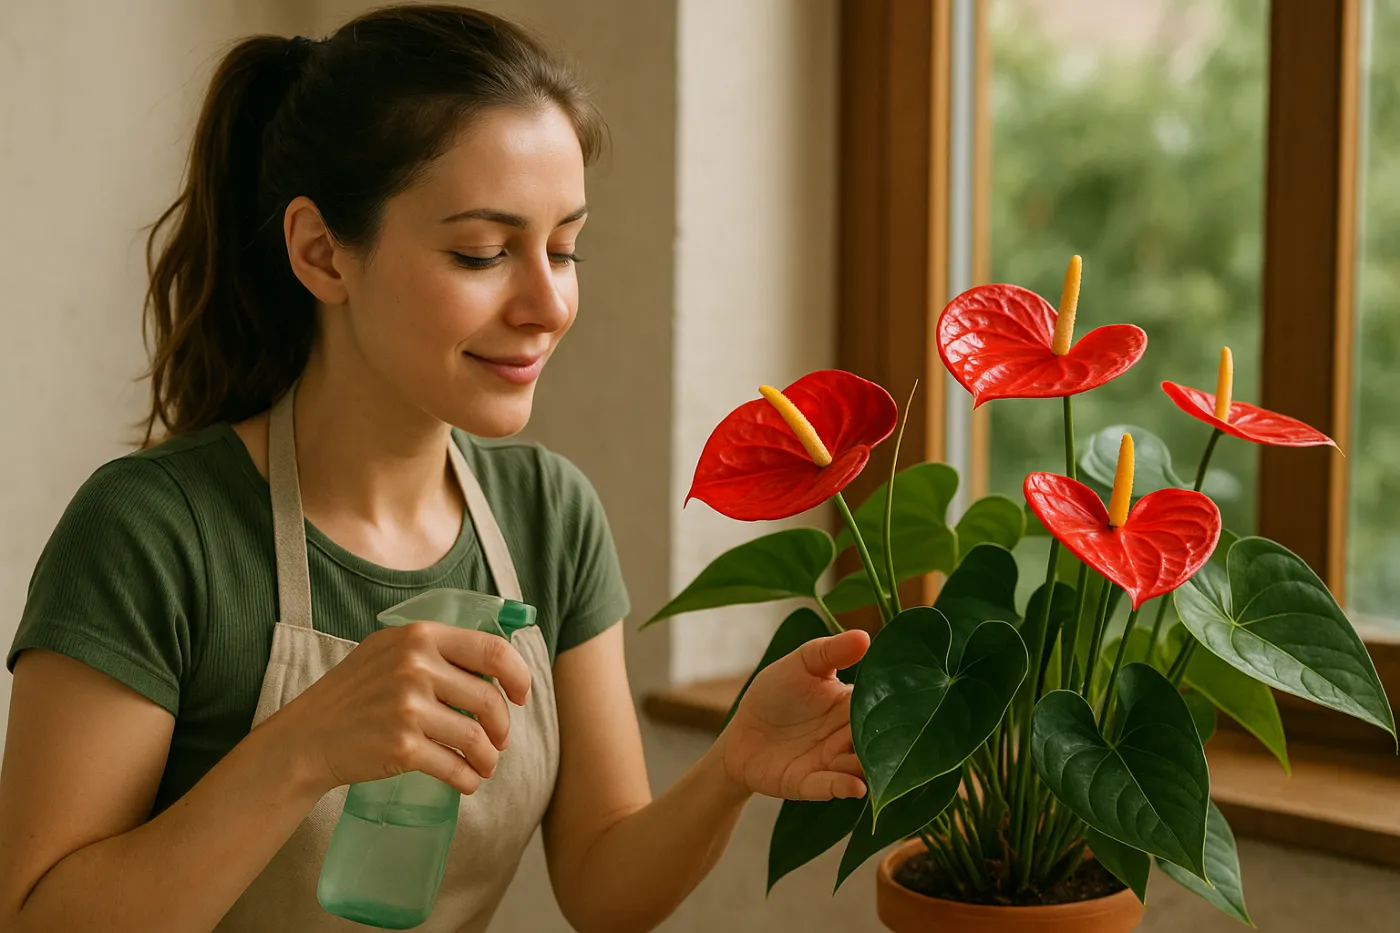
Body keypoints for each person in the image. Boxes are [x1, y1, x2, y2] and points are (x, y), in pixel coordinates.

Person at [0, 6, 872, 932]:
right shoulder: (152, 531)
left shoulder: (549, 513)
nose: (548, 304)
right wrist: (305, 746)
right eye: (482, 253)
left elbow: (602, 885)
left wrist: (732, 765)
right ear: (322, 253)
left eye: (564, 248)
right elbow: (37, 916)